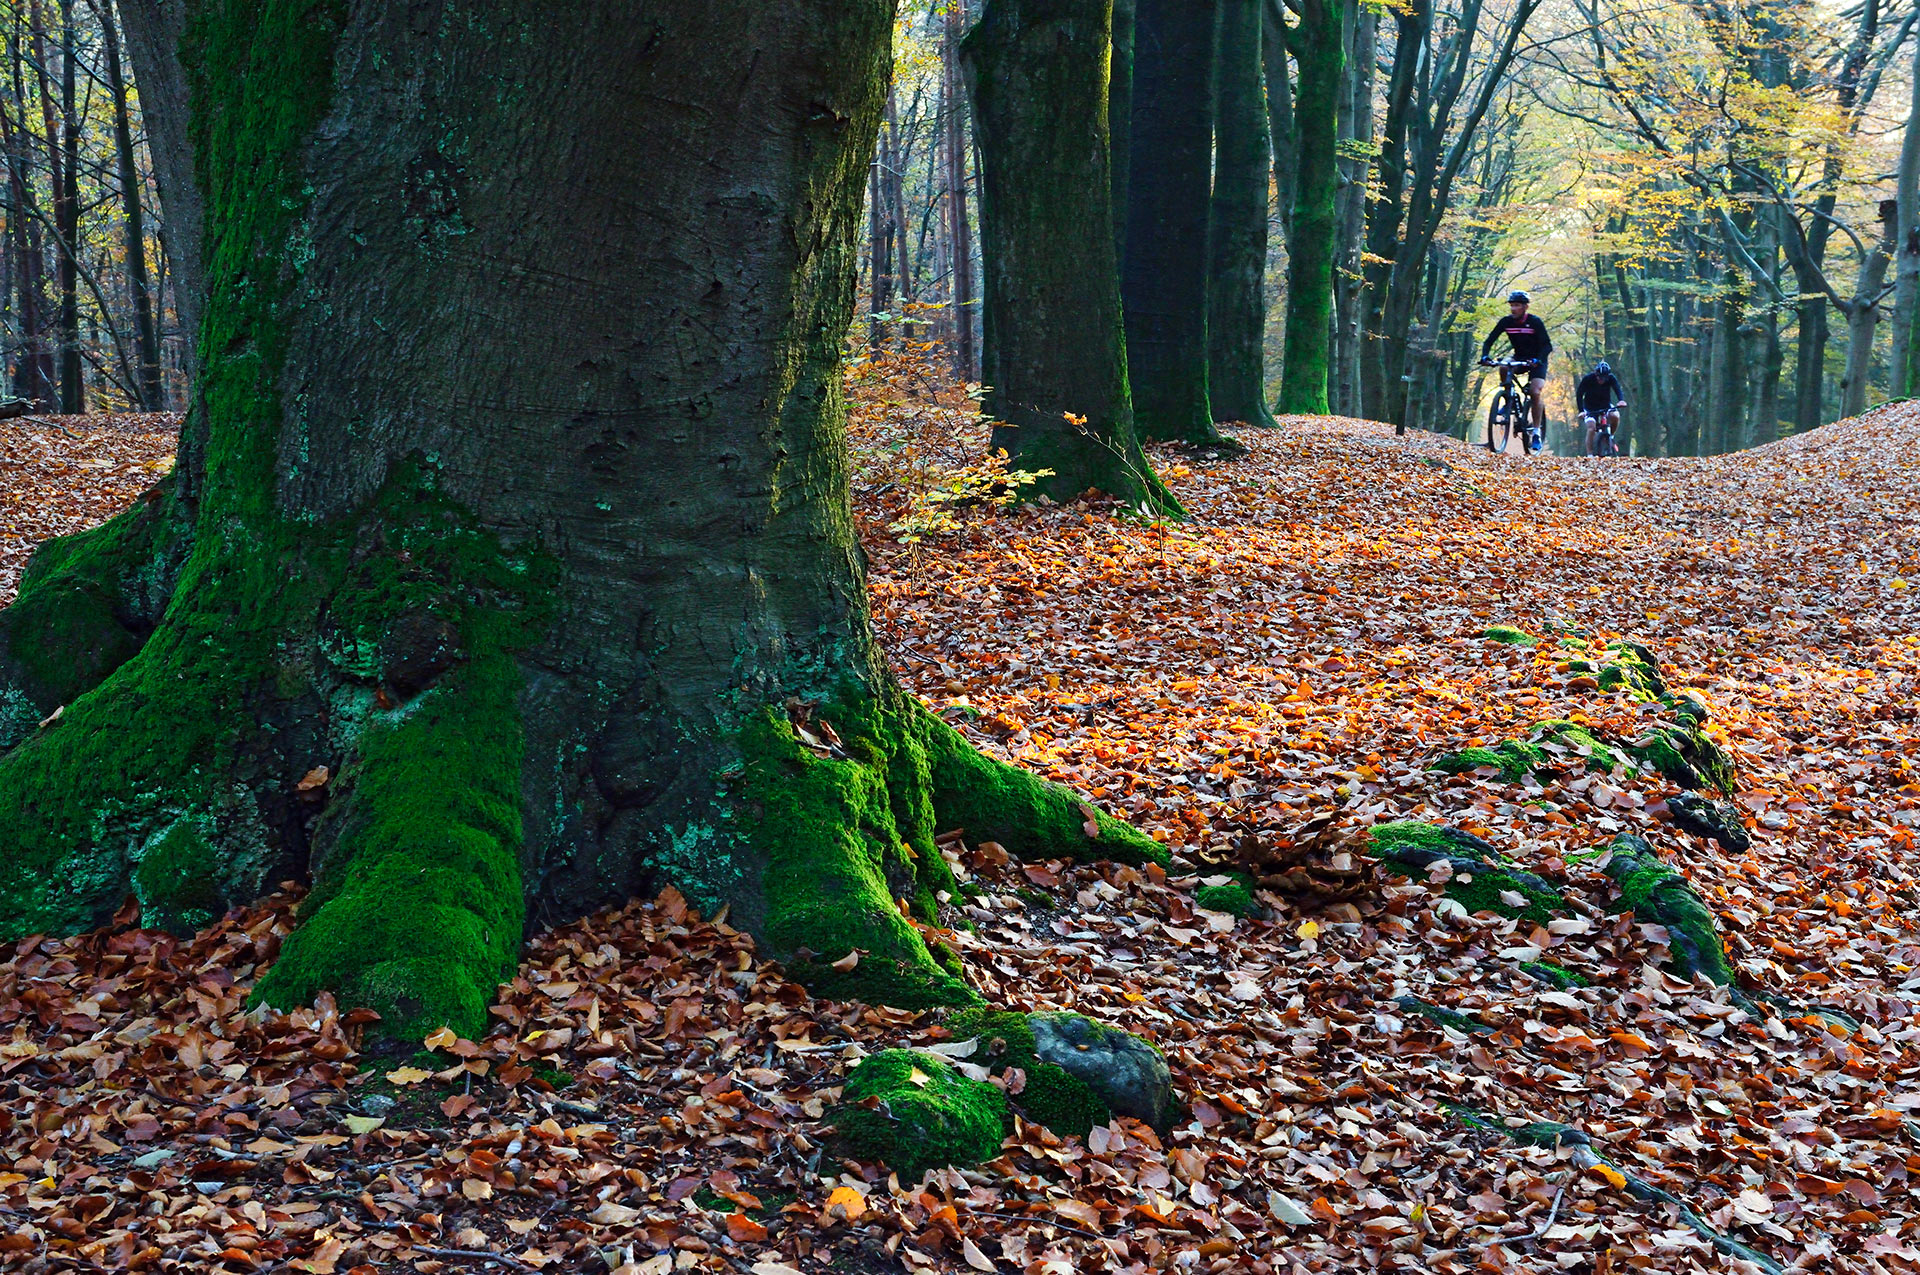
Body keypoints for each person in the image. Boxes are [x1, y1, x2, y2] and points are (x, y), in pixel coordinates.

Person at [1479, 291, 1552, 446]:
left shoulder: (1535, 322)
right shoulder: (1506, 322)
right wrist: (1485, 356)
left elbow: (1547, 346)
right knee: (1503, 366)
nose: (1513, 309)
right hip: (1519, 357)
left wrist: (1538, 360)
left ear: (1525, 307)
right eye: (1512, 305)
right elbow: (1489, 341)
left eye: (1517, 305)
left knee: (1535, 392)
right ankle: (1508, 397)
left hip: (1537, 361)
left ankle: (1537, 432)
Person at [1576, 360, 1627, 455]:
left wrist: (1621, 400)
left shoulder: (1611, 378)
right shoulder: (1588, 379)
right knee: (1591, 428)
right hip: (1590, 407)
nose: (1601, 380)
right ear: (1596, 374)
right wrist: (1581, 411)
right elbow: (1579, 394)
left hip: (1605, 405)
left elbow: (1617, 388)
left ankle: (1611, 436)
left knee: (1615, 416)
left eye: (1604, 378)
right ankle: (1590, 454)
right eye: (1599, 377)